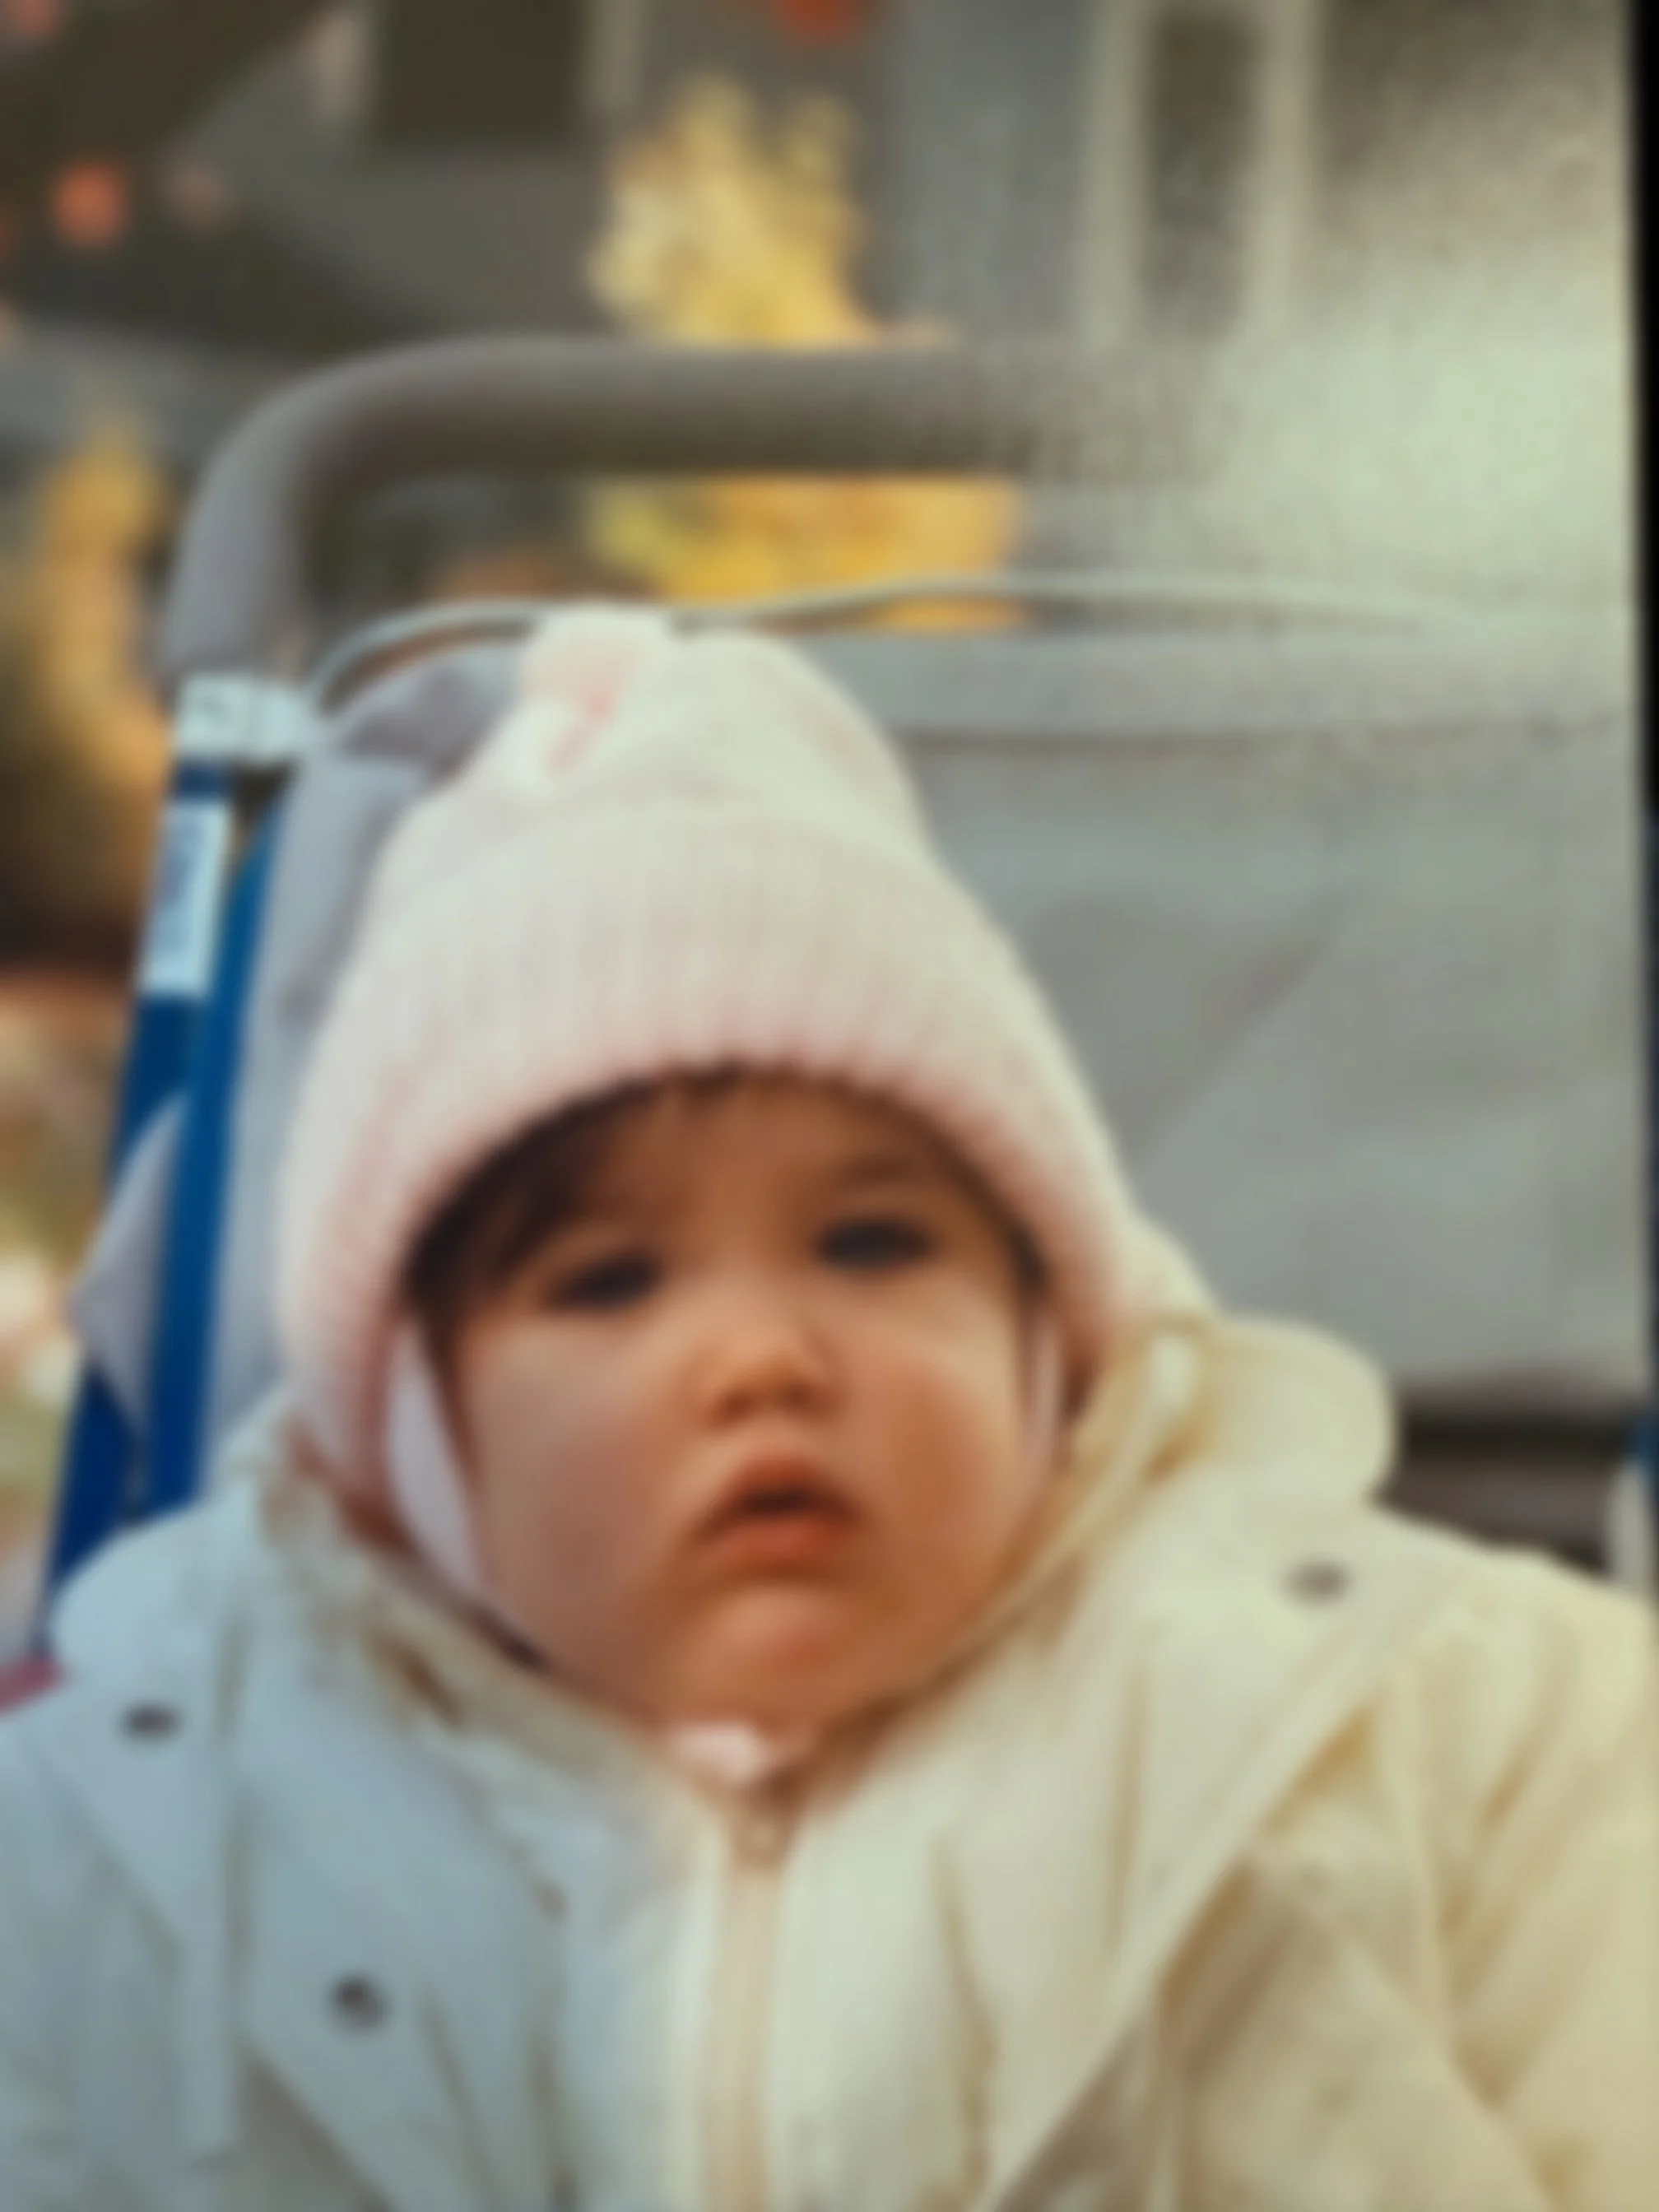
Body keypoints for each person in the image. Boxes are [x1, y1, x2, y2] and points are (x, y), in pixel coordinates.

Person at [2, 607, 1657, 2212]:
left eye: (873, 1243)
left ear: (1048, 1332)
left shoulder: (1458, 1725)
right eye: (606, 1284)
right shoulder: (139, 1841)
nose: (765, 1358)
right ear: (419, 1438)